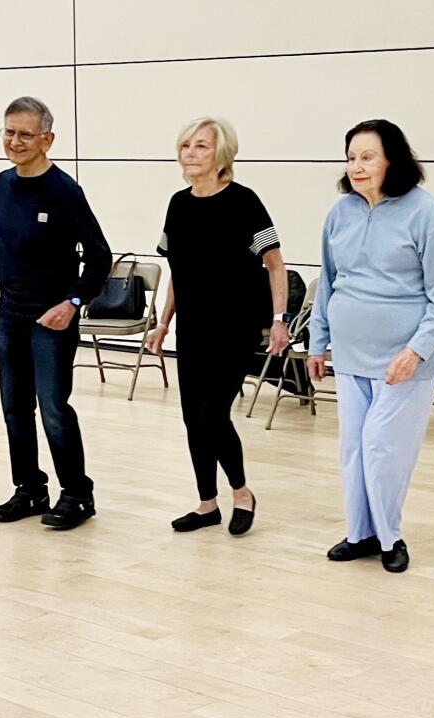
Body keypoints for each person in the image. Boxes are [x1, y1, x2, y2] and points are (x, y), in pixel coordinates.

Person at [309, 119, 434, 573]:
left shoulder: (423, 211)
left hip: (404, 362)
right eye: (351, 157)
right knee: (353, 449)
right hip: (350, 356)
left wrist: (416, 350)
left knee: (381, 447)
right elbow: (329, 283)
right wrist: (318, 343)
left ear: (392, 159)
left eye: (368, 156)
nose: (357, 166)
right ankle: (360, 533)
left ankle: (391, 536)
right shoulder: (340, 213)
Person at [0, 96, 111, 531]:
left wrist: (73, 303)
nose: (15, 141)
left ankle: (77, 495)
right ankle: (29, 489)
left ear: (48, 139)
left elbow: (100, 257)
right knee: (14, 408)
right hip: (9, 314)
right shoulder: (0, 184)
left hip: (51, 318)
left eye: (26, 134)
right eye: (9, 132)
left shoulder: (65, 191)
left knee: (52, 407)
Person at [145, 116, 290, 536]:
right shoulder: (178, 204)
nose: (191, 153)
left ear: (222, 154)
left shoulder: (244, 201)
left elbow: (275, 264)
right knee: (193, 417)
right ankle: (207, 504)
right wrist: (162, 323)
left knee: (213, 413)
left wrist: (279, 320)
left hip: (235, 327)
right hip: (193, 328)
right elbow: (177, 271)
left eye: (201, 146)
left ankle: (241, 493)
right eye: (186, 145)